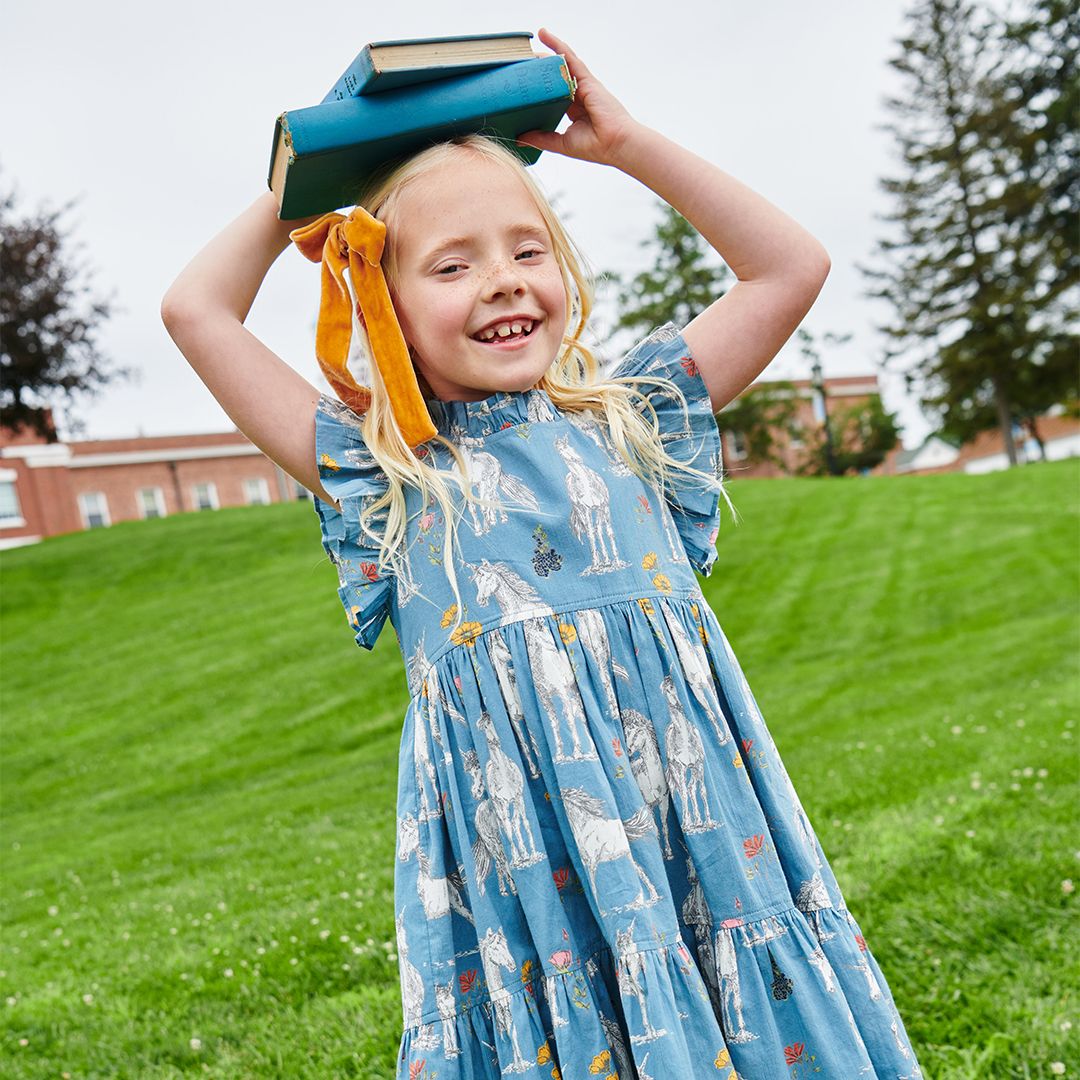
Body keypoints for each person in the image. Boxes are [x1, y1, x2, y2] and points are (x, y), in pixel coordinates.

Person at [161, 28, 921, 1080]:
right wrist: (321, 163)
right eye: (452, 264)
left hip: (694, 832)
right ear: (380, 295)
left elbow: (791, 266)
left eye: (527, 250)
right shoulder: (383, 468)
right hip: (535, 877)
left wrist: (629, 146)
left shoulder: (632, 418)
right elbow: (194, 312)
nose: (504, 283)